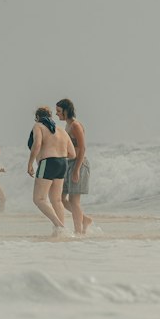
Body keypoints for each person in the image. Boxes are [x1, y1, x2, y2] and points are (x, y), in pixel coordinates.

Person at [27, 106, 75, 238]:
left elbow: (37, 144)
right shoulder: (61, 131)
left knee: (39, 199)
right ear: (51, 117)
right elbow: (72, 153)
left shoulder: (38, 126)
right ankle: (59, 233)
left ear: (37, 117)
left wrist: (30, 163)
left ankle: (59, 226)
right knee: (56, 200)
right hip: (62, 163)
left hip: (47, 163)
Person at [57, 98, 93, 237]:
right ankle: (84, 219)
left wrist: (77, 169)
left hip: (79, 163)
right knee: (60, 197)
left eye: (59, 111)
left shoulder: (76, 126)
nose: (57, 114)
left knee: (74, 200)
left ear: (66, 111)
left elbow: (83, 148)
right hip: (68, 164)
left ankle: (78, 231)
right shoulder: (68, 125)